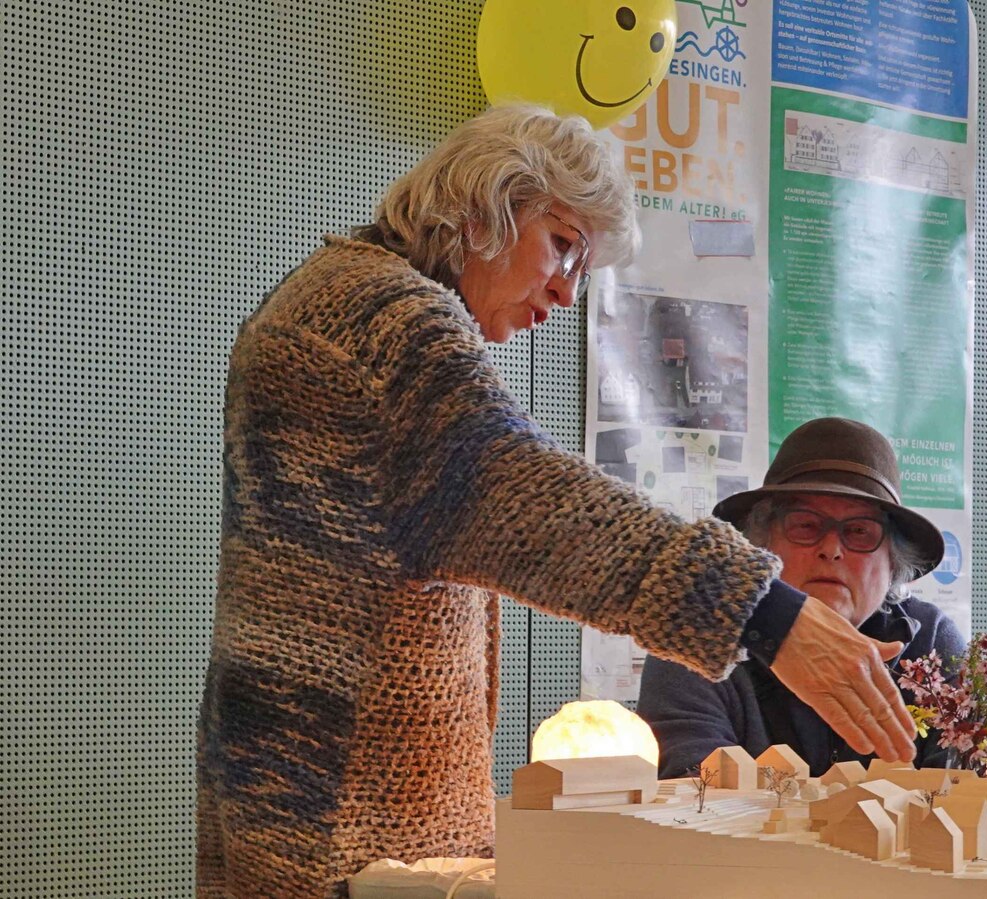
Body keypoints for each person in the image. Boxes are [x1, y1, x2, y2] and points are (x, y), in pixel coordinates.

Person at [196, 106, 919, 899]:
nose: (567, 292)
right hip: (345, 828)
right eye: (563, 244)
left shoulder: (332, 302)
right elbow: (533, 496)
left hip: (306, 794)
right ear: (484, 207)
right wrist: (763, 610)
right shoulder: (378, 325)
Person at [638, 417, 967, 779]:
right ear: (761, 546)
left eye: (860, 531)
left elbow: (977, 782)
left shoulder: (931, 641)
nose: (831, 549)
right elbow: (692, 790)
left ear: (893, 562)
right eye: (806, 525)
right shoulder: (697, 643)